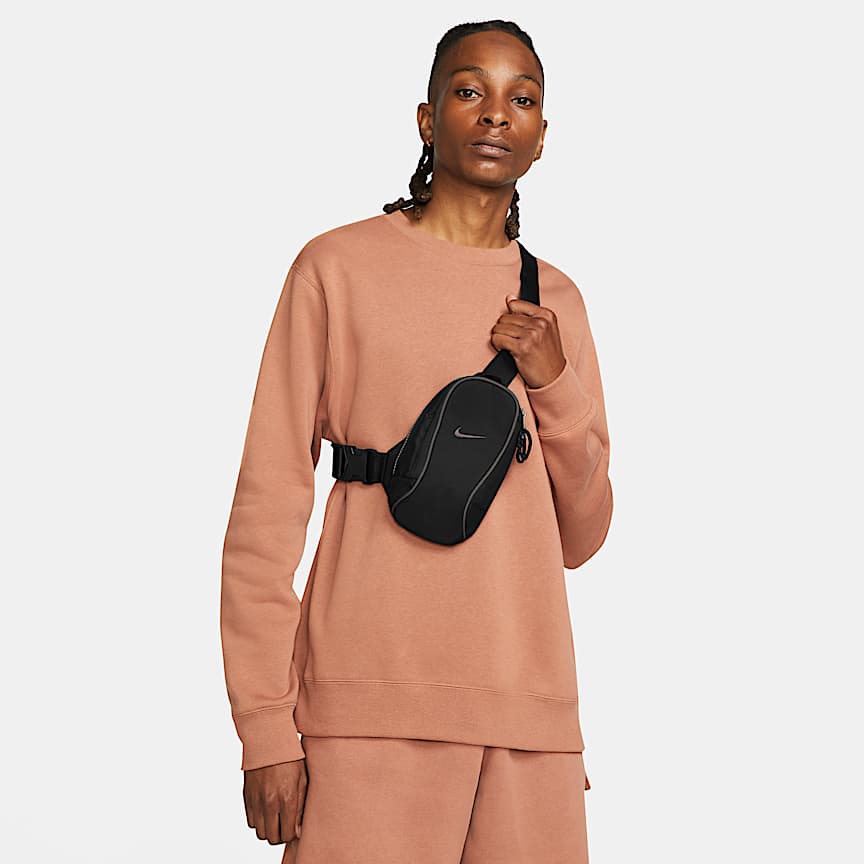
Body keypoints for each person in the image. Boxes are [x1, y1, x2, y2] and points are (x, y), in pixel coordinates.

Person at [220, 19, 614, 864]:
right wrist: (265, 728)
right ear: (429, 119)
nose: (497, 113)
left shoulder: (557, 303)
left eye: (522, 99)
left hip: (529, 722)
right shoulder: (336, 268)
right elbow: (266, 507)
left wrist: (553, 380)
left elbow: (582, 535)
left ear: (543, 136)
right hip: (366, 709)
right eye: (470, 90)